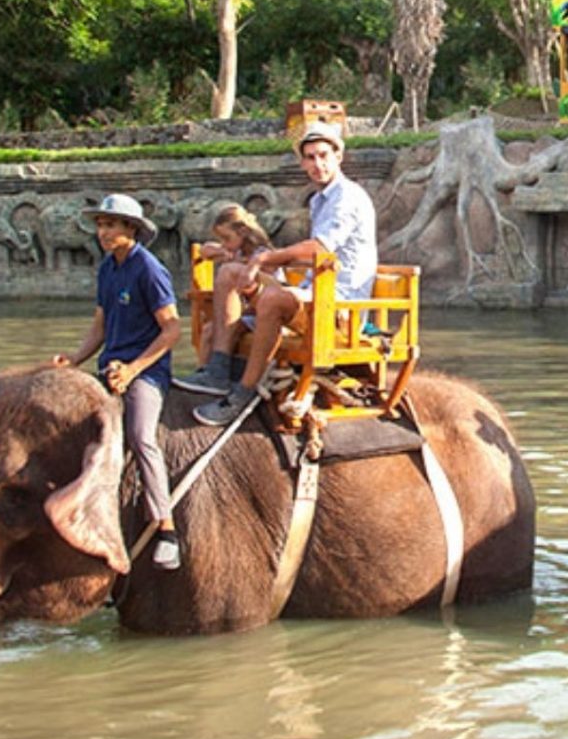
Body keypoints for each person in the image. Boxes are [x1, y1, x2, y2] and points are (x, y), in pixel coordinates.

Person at [174, 121, 377, 427]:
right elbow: (303, 259)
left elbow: (320, 249)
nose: (317, 164)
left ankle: (243, 392)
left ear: (339, 156)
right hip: (313, 292)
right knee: (230, 272)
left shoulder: (347, 196)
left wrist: (266, 258)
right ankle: (217, 370)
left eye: (323, 155)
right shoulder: (321, 200)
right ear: (302, 162)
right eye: (310, 157)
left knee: (272, 297)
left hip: (339, 307)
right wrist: (243, 259)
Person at [52, 193, 183, 570]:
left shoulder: (149, 269)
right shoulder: (108, 268)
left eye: (111, 225)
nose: (103, 232)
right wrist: (75, 359)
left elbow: (172, 329)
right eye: (100, 225)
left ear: (132, 229)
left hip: (146, 372)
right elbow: (100, 324)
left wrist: (133, 369)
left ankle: (167, 529)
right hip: (110, 366)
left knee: (142, 437)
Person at [194, 203, 275, 366]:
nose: (223, 243)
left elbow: (267, 287)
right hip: (244, 313)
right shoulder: (236, 252)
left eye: (226, 238)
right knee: (209, 329)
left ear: (243, 233)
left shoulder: (262, 256)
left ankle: (214, 372)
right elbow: (204, 250)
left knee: (214, 330)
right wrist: (222, 251)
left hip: (260, 315)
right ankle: (204, 371)